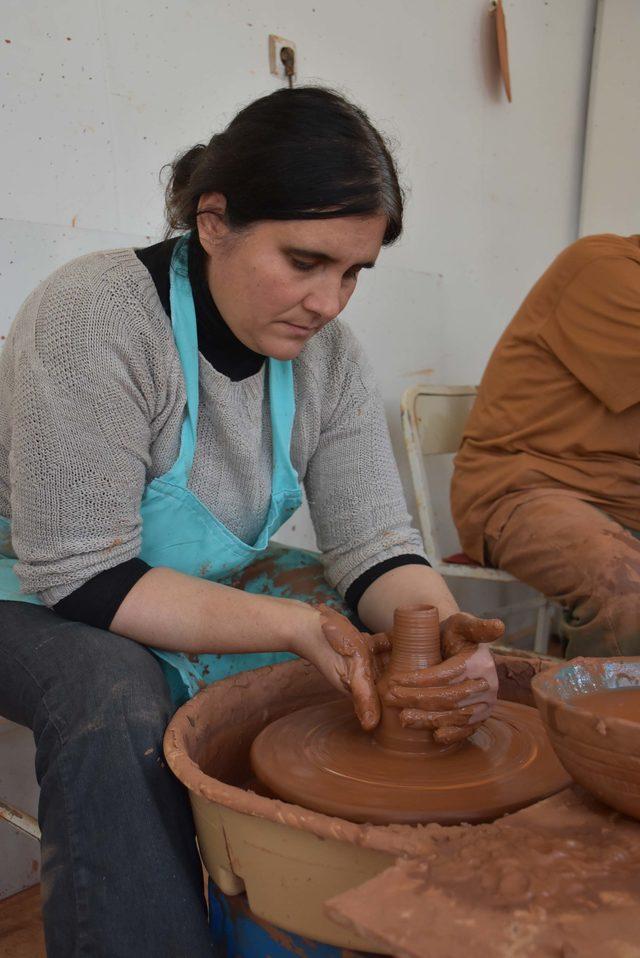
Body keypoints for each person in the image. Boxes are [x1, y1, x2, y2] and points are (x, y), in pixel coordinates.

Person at [0, 87, 501, 956]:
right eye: (305, 261)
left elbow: (376, 544)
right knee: (115, 694)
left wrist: (443, 631)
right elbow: (82, 575)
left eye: (352, 273)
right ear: (215, 220)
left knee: (366, 655)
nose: (329, 301)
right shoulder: (95, 316)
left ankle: (295, 917)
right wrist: (295, 625)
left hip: (174, 585)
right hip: (32, 588)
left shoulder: (329, 359)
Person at [452, 232, 640, 658]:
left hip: (622, 496)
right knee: (628, 592)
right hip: (525, 488)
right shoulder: (601, 268)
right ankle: (592, 723)